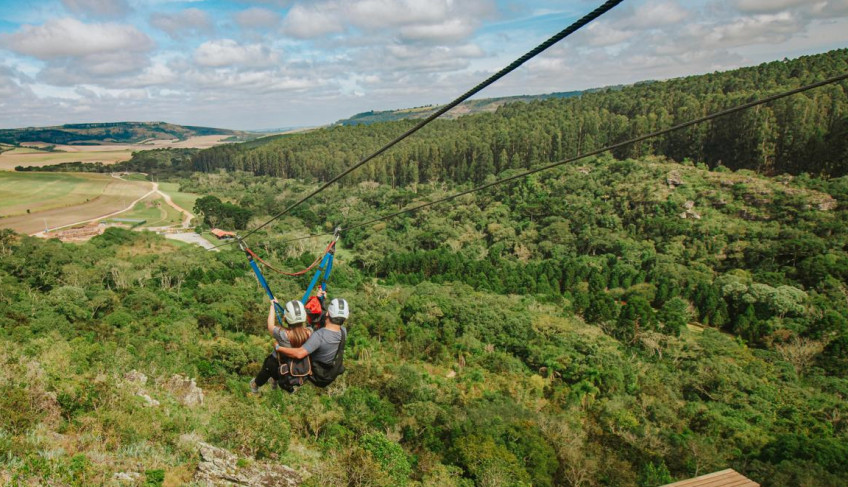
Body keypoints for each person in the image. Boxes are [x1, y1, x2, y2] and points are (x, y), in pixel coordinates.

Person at [277, 297, 349, 387]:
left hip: (317, 374)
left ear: (328, 313)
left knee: (279, 358)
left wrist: (278, 348)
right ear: (345, 318)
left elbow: (299, 354)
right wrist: (320, 299)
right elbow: (324, 321)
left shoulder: (318, 336)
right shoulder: (343, 331)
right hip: (331, 371)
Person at [250, 299, 310, 393]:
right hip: (292, 366)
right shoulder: (309, 332)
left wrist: (272, 306)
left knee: (265, 372)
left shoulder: (282, 334)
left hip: (275, 363)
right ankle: (274, 380)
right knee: (278, 372)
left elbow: (270, 325)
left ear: (287, 318)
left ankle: (255, 385)